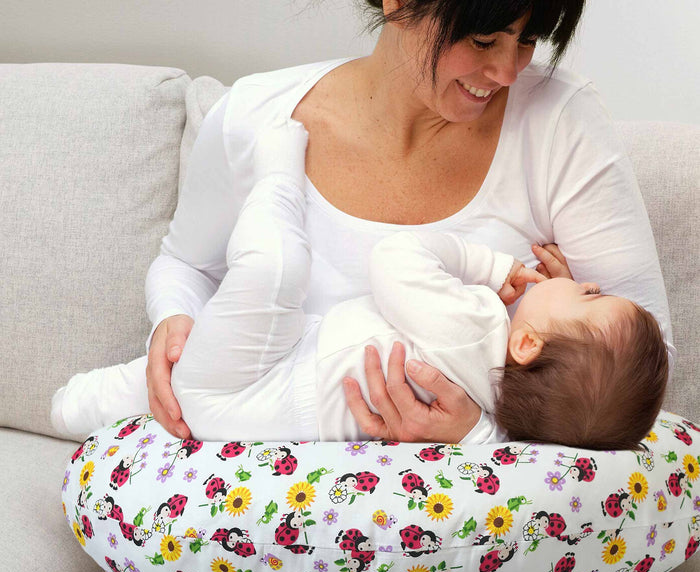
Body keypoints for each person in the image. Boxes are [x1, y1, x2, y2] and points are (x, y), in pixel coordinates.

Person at [77, 1, 681, 572]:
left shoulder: (559, 121)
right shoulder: (258, 115)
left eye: (530, 38)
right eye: (484, 36)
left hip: (487, 545)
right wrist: (172, 323)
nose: (509, 68)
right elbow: (184, 263)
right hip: (279, 531)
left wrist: (478, 431)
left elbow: (639, 358)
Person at [52, 119, 668, 452]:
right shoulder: (508, 423)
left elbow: (397, 258)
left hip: (261, 372)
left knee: (274, 272)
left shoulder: (477, 323)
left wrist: (489, 268)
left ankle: (277, 169)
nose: (584, 280)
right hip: (259, 410)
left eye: (589, 294)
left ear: (528, 345)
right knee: (155, 388)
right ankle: (72, 408)